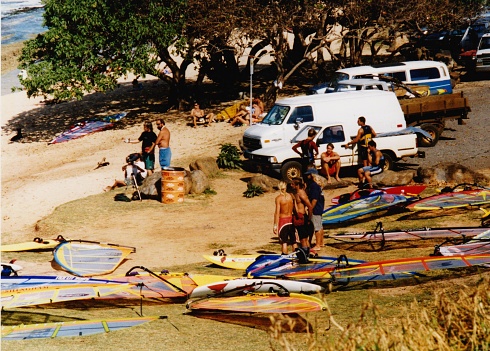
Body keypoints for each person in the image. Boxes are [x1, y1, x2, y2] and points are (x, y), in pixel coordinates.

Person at [273, 181, 297, 255]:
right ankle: (297, 255)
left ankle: (284, 257)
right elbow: (295, 208)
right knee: (293, 240)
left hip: (283, 221)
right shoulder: (291, 196)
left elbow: (277, 212)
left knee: (284, 241)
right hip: (291, 219)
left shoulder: (279, 198)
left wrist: (275, 225)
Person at [291, 177, 314, 254]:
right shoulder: (296, 193)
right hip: (298, 217)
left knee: (303, 238)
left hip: (302, 217)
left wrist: (309, 219)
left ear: (297, 185)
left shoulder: (301, 193)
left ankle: (305, 254)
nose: (291, 185)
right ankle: (308, 253)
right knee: (303, 238)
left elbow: (310, 206)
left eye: (292, 184)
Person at [304, 168, 325, 251]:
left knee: (316, 227)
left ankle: (317, 245)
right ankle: (321, 242)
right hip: (319, 207)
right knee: (320, 226)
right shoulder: (318, 186)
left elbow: (314, 200)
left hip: (315, 208)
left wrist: (310, 209)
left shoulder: (314, 186)